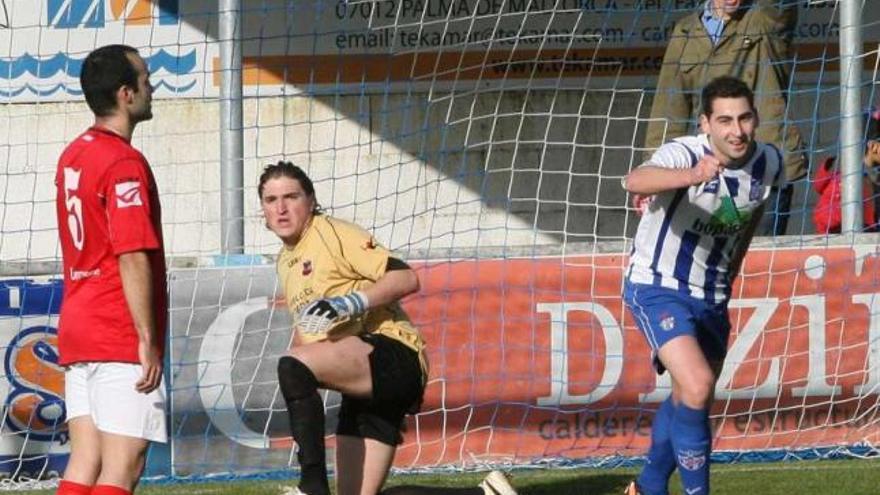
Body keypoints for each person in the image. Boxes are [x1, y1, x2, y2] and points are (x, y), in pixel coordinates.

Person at [260, 161, 516, 495]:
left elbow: (406, 277)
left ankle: (312, 485)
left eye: (291, 196)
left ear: (310, 200)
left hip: (394, 354)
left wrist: (350, 303)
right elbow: (307, 338)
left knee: (291, 365)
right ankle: (485, 494)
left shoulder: (331, 232)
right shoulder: (287, 259)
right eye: (270, 200)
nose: (280, 208)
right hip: (363, 376)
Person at [621, 76, 784, 495]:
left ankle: (646, 487)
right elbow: (635, 180)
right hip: (657, 284)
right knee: (697, 384)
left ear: (755, 119)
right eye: (725, 120)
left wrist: (733, 269)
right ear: (705, 124)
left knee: (688, 397)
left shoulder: (768, 163)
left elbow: (751, 217)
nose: (737, 130)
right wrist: (691, 175)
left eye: (745, 118)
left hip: (711, 295)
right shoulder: (685, 152)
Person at [54, 44, 166, 495]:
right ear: (125, 94)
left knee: (85, 462)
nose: (151, 86)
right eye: (144, 78)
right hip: (115, 326)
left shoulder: (73, 154)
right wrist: (146, 338)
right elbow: (132, 252)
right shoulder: (122, 162)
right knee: (124, 467)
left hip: (78, 325)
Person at [645, 0, 804, 235]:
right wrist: (656, 171)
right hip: (711, 175)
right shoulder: (686, 31)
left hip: (761, 175)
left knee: (758, 264)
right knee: (714, 260)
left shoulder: (764, 19)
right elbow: (669, 109)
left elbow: (782, 8)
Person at [812, 109, 880, 234]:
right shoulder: (844, 183)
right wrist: (846, 207)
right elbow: (822, 219)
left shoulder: (873, 177)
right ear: (874, 147)